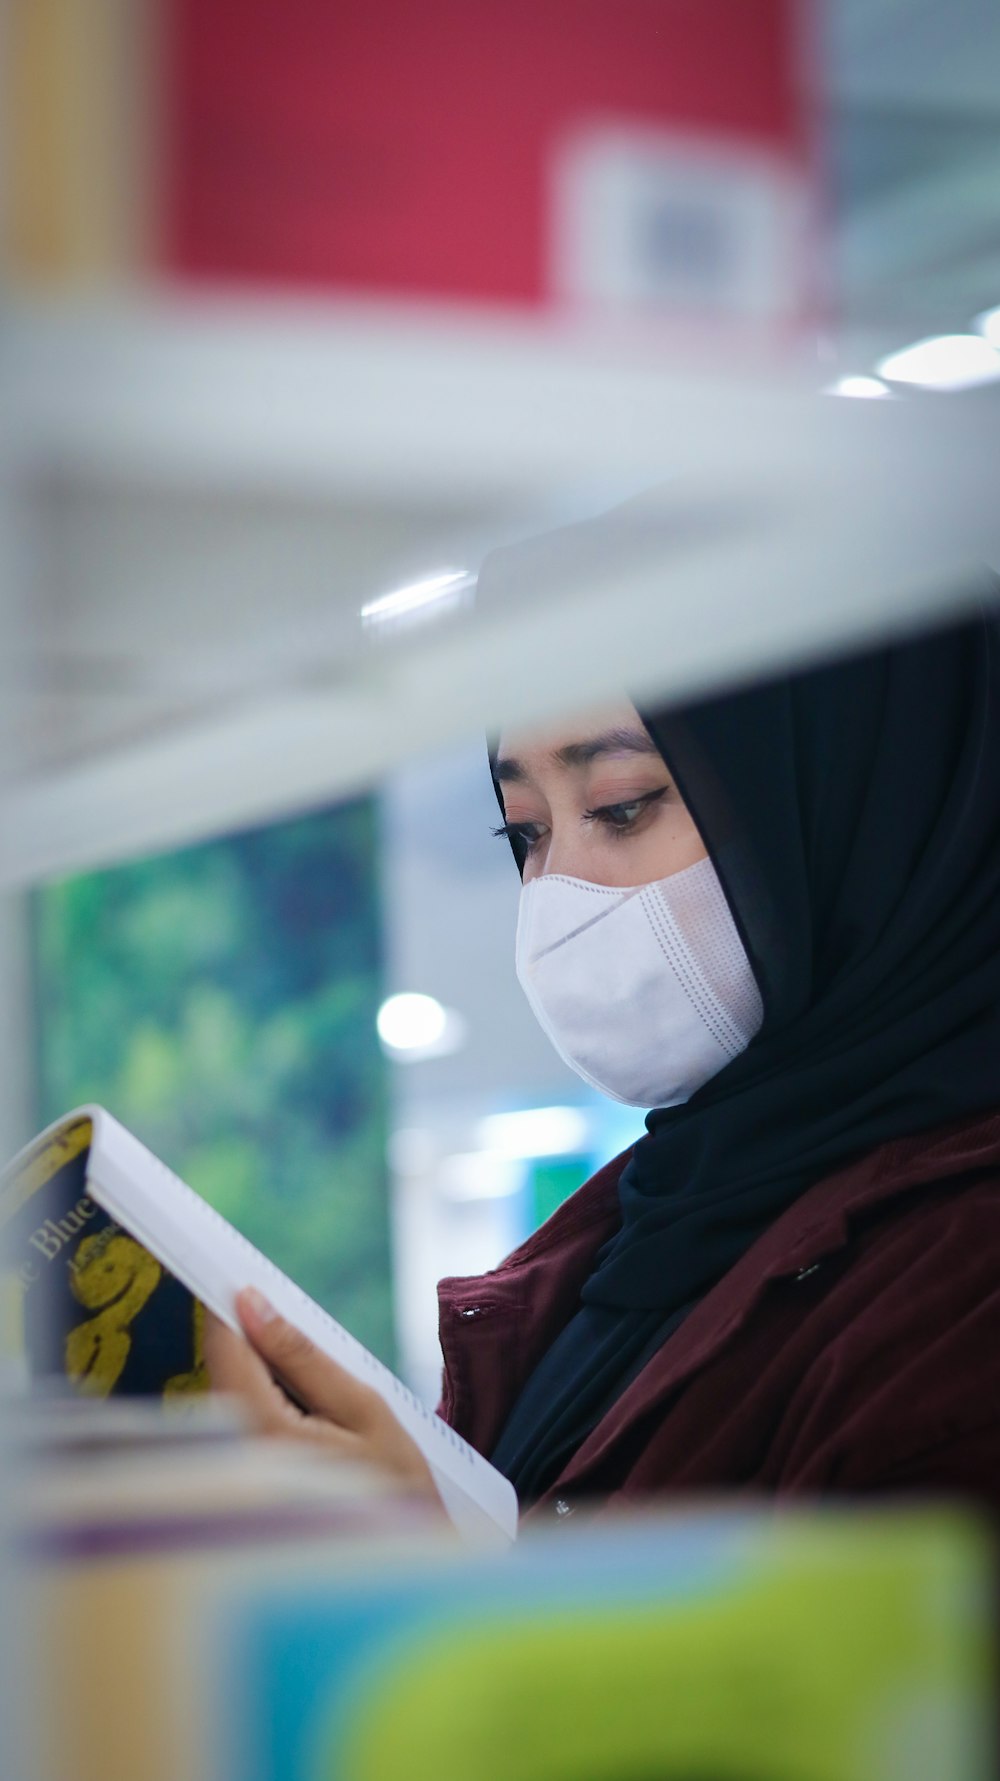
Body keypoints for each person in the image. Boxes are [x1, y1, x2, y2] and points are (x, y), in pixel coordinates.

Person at [206, 599, 1000, 1524]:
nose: (557, 898)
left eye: (624, 806)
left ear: (862, 794)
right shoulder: (646, 1233)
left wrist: (417, 1589)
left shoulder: (965, 1283)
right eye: (526, 834)